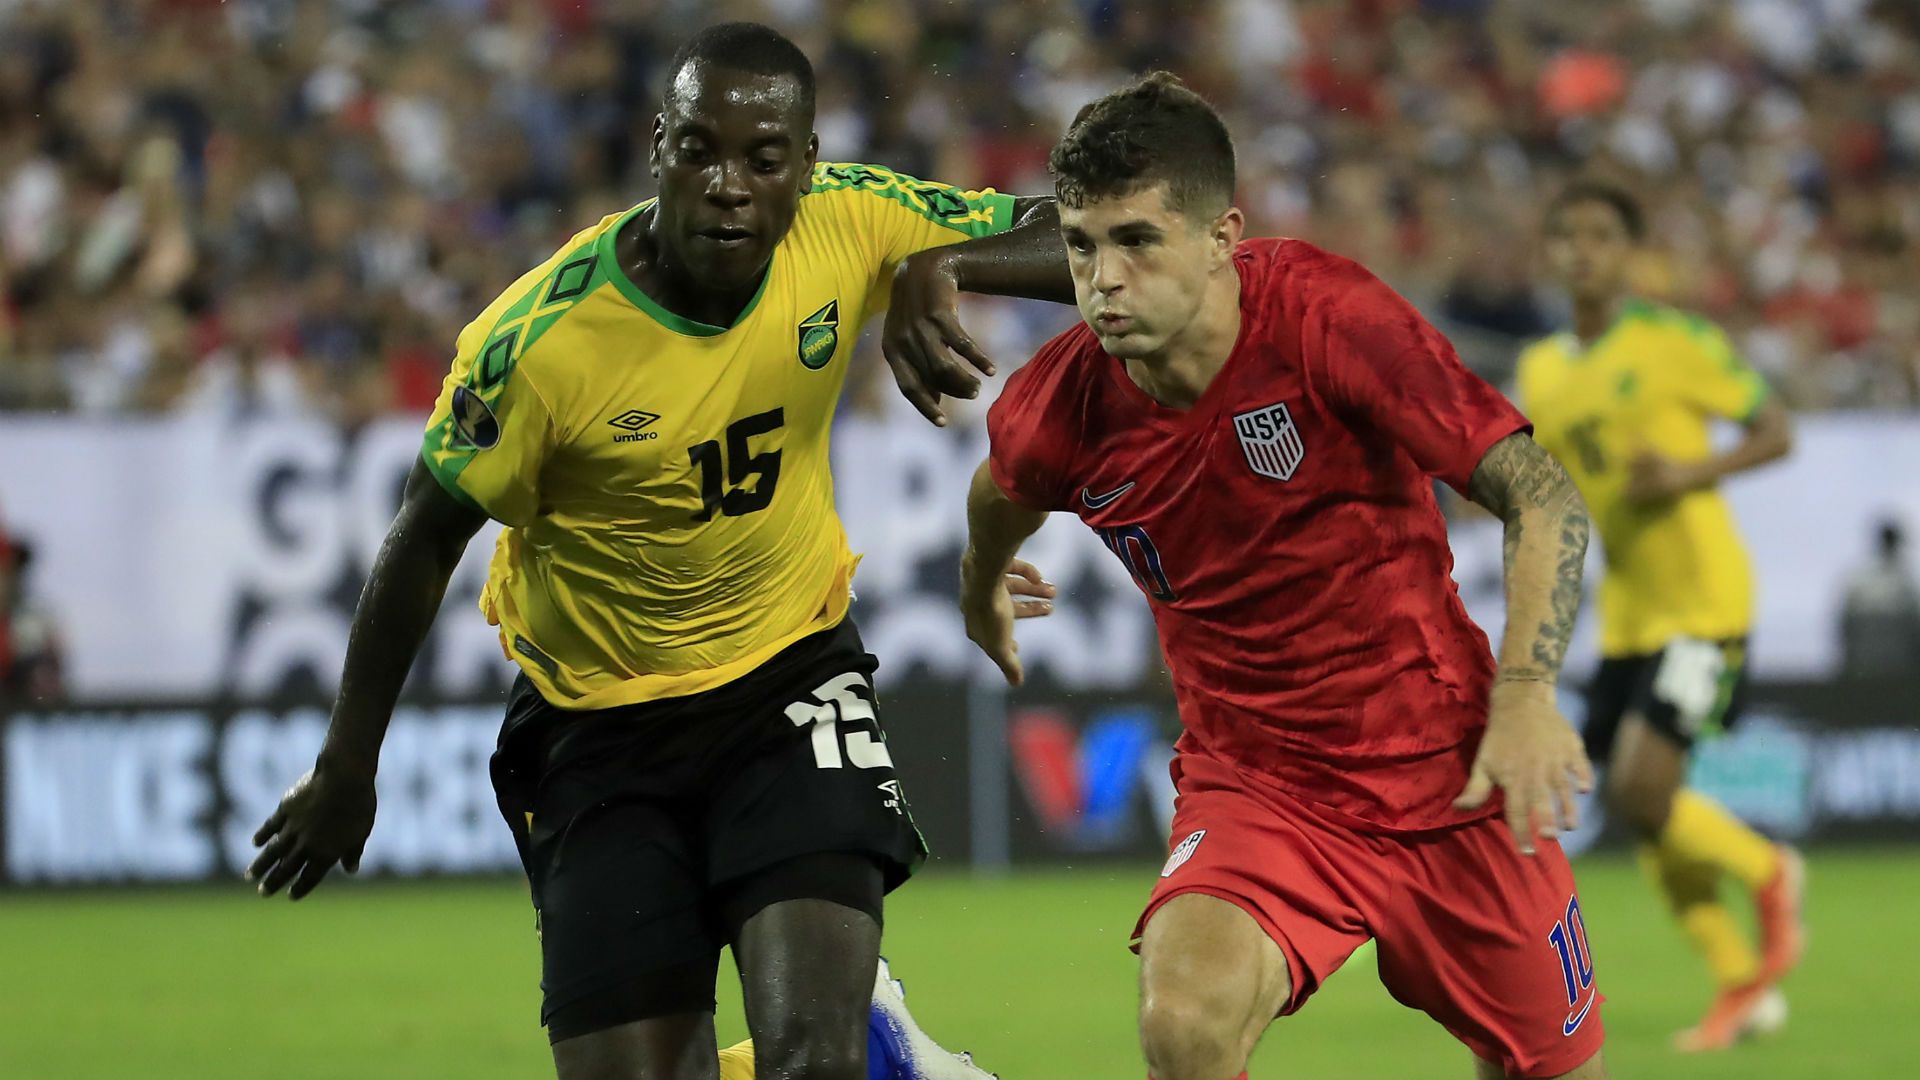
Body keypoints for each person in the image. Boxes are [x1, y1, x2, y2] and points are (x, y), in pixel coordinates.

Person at [246, 22, 1070, 1080]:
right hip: (594, 732)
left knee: (809, 1062)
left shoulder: (855, 219)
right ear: (659, 151)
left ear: (807, 166)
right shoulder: (541, 346)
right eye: (700, 152)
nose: (729, 185)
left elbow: (1082, 229)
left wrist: (944, 261)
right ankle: (882, 1051)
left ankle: (853, 1043)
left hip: (786, 683)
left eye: (764, 160)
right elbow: (420, 542)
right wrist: (346, 767)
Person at [963, 73, 1606, 1080]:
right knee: (1184, 1021)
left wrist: (1526, 699)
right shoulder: (1058, 410)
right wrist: (980, 583)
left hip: (1449, 765)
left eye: (1137, 240)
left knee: (1549, 1069)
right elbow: (997, 495)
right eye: (1082, 246)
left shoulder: (1325, 318)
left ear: (1222, 235)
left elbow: (1542, 494)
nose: (1103, 279)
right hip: (1260, 785)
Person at [1517, 180, 1803, 1051]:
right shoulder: (1543, 370)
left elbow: (1776, 429)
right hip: (1632, 612)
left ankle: (1768, 871)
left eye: (1600, 235)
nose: (1581, 250)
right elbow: (1549, 485)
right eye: (1566, 234)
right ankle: (1736, 979)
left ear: (1629, 251)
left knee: (1646, 786)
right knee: (1640, 805)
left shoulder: (1675, 343)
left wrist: (1687, 472)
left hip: (1705, 601)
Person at [1838, 517, 1920, 679]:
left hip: (1865, 668)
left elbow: (1846, 628)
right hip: (1892, 669)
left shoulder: (1858, 582)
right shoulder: (1905, 586)